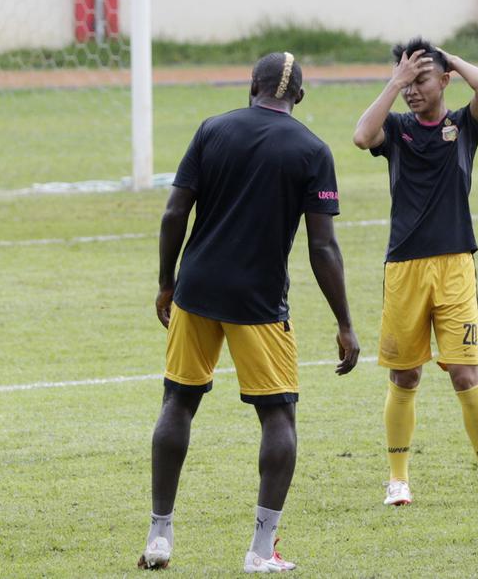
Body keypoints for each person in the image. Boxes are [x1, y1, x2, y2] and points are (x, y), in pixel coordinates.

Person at [141, 52, 360, 573]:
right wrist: (345, 322)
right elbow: (322, 247)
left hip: (196, 291)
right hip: (259, 302)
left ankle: (159, 536)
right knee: (277, 415)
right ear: (299, 97)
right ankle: (261, 550)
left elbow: (175, 212)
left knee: (178, 402)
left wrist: (167, 282)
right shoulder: (312, 149)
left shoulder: (212, 130)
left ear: (251, 86)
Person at [352, 38, 478, 509]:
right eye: (406, 83)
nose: (411, 91)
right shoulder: (396, 130)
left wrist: (447, 57)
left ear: (443, 80)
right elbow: (362, 135)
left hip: (456, 265)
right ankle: (397, 479)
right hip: (404, 268)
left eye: (420, 80)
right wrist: (393, 81)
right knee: (405, 377)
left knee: (465, 372)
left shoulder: (463, 126)